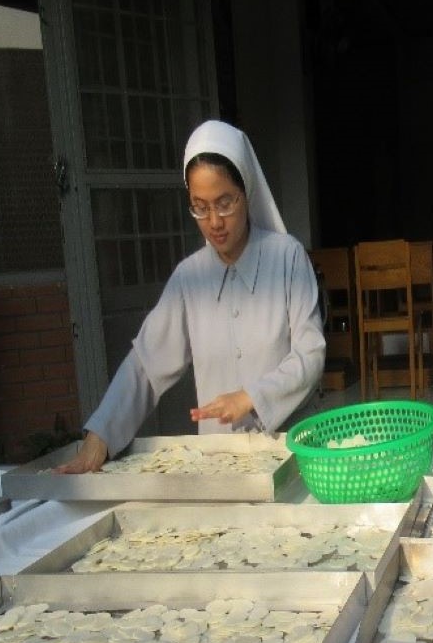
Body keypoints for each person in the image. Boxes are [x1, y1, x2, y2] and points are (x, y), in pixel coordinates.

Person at [56, 120, 325, 473]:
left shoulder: (287, 257)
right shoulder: (189, 278)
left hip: (290, 454)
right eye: (200, 206)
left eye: (225, 203)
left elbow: (311, 354)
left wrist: (251, 397)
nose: (214, 221)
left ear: (246, 192)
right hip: (219, 465)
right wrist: (100, 436)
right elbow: (145, 365)